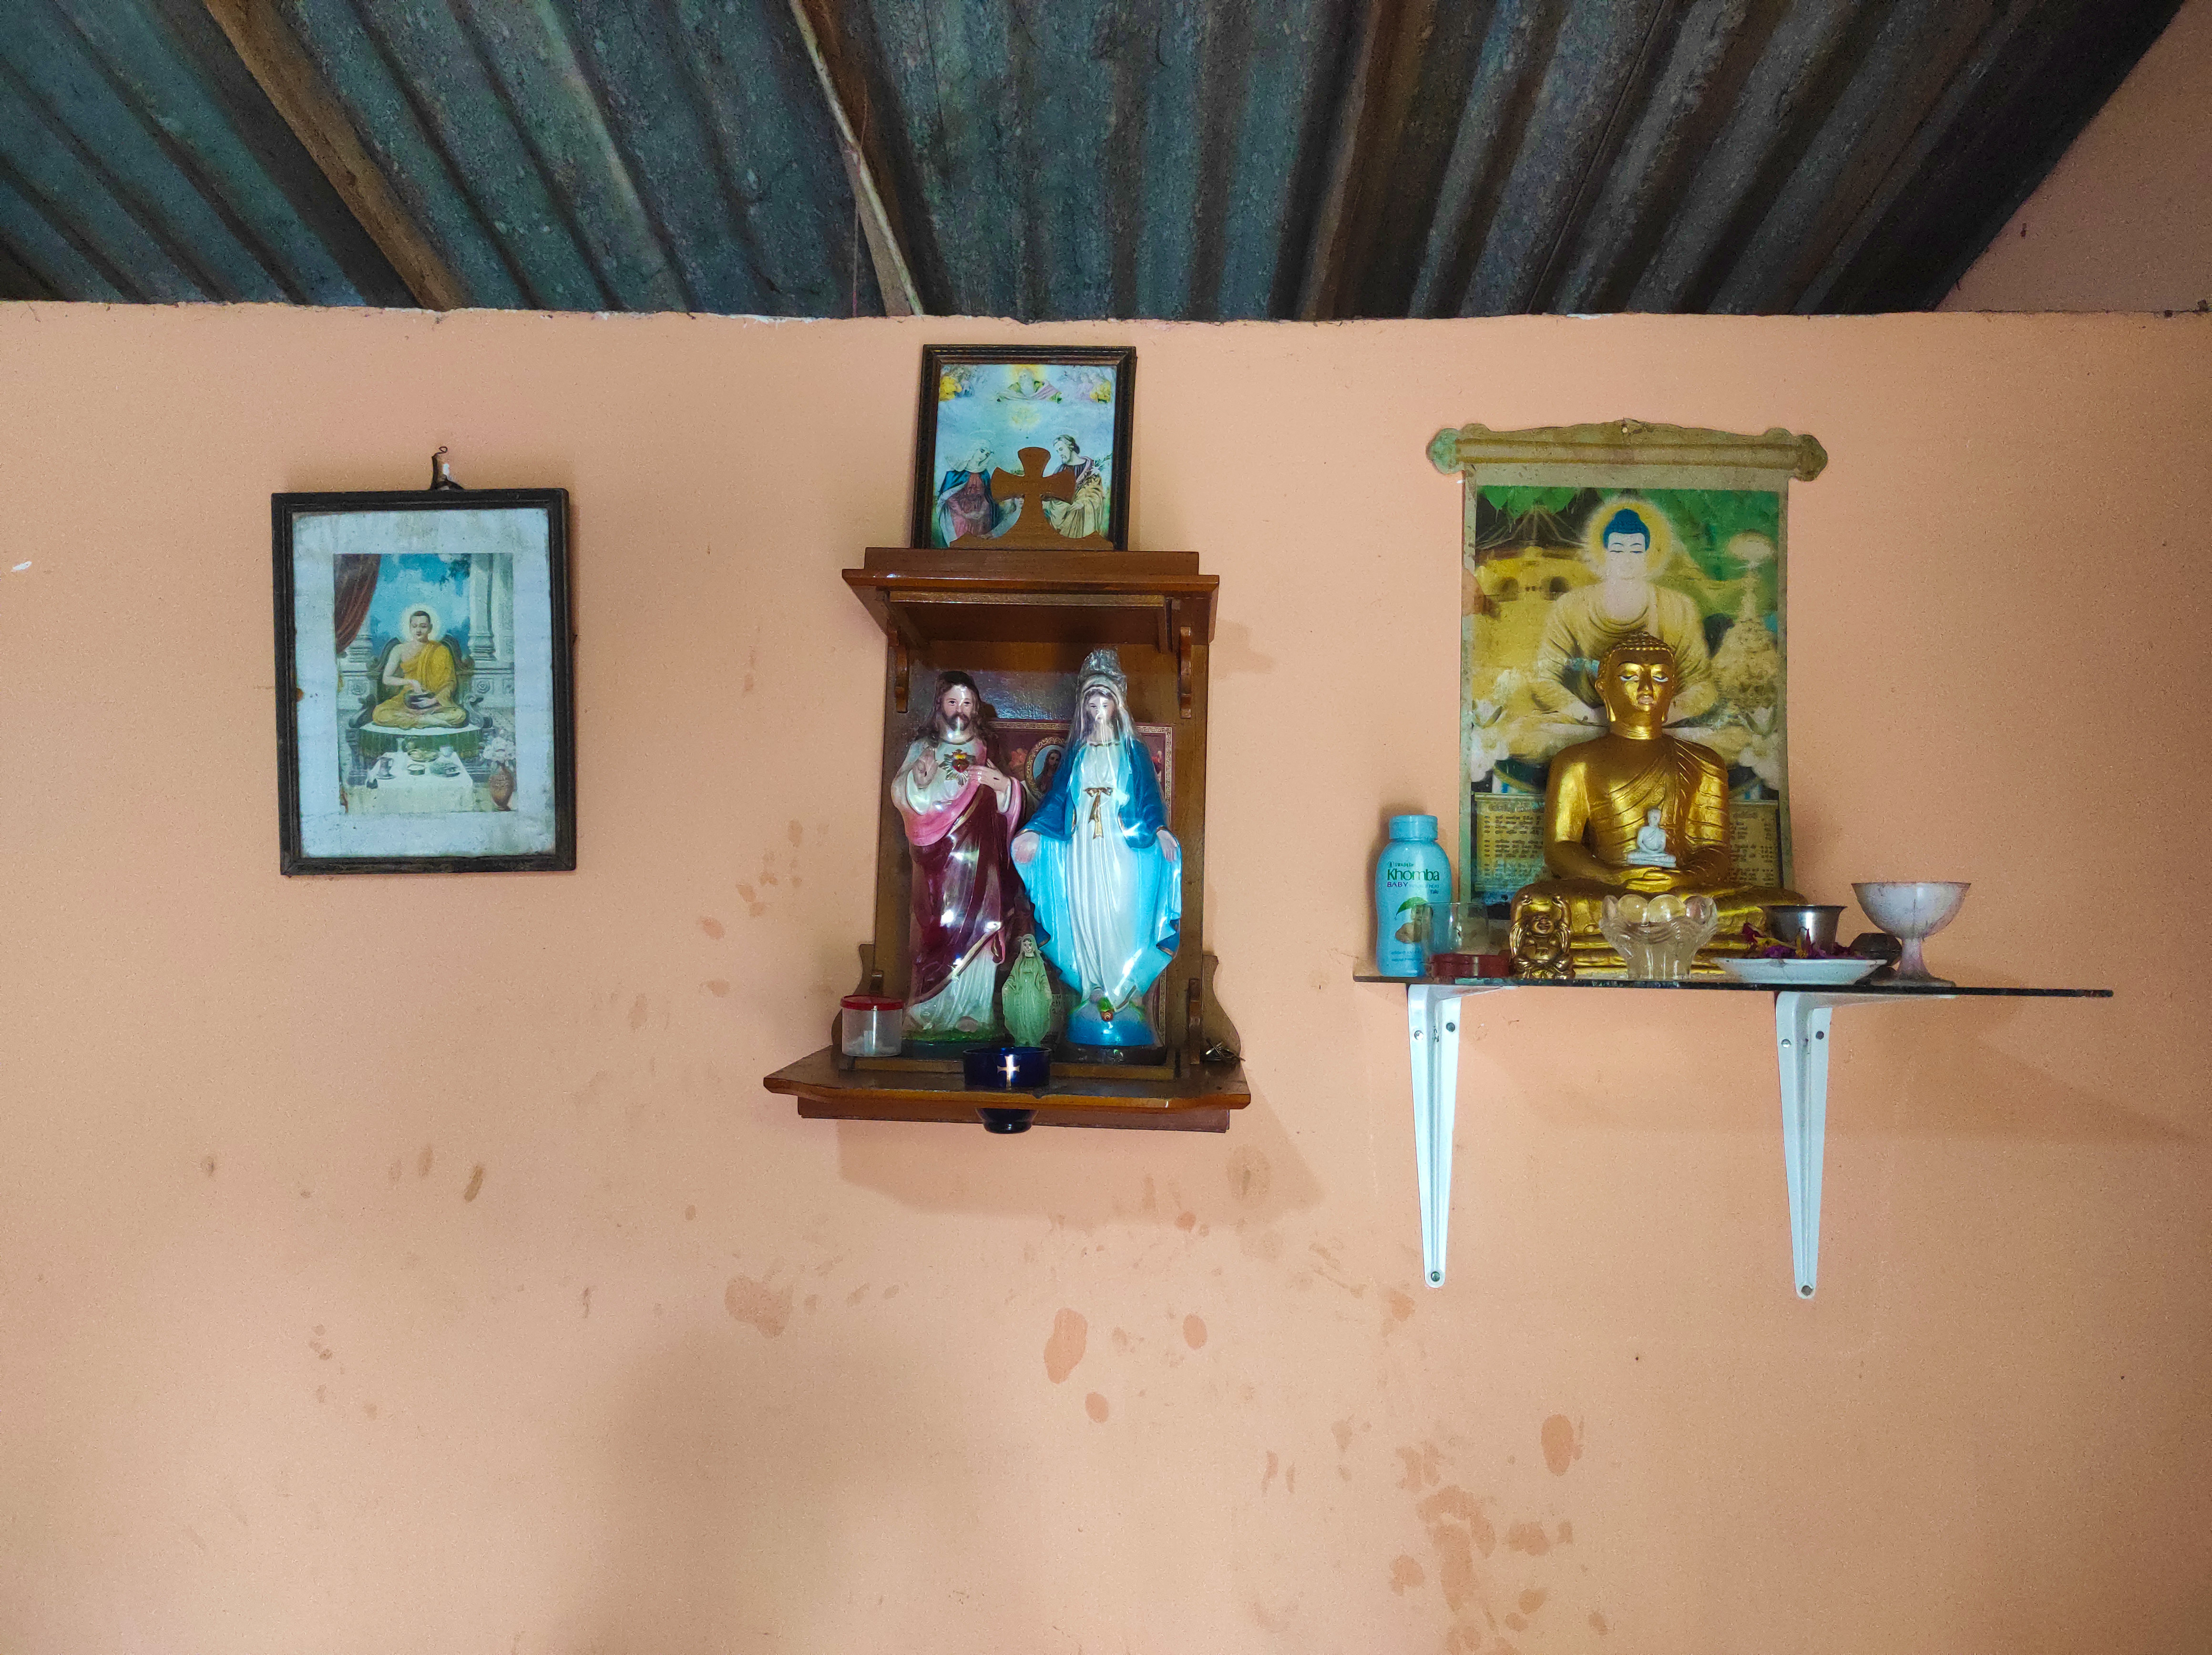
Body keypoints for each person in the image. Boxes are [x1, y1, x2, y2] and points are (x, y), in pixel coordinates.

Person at [1512, 633, 1798, 968]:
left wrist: (1682, 879)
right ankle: (1668, 929)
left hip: (1683, 893)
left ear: (1673, 687)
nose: (1646, 689)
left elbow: (1715, 850)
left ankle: (1655, 923)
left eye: (1660, 677)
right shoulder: (1577, 762)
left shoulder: (1705, 762)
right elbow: (1561, 847)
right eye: (1630, 677)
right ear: (1603, 687)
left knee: (1782, 907)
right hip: (1610, 893)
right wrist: (1615, 878)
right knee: (1538, 903)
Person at [1012, 650, 1181, 1046]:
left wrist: (1159, 831)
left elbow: (1148, 798)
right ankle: (1094, 987)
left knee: (1121, 914)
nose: (1099, 709)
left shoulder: (1133, 751)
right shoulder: (1078, 753)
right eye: (1092, 703)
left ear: (1116, 706)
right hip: (1083, 851)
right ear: (1084, 708)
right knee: (1086, 910)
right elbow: (1057, 800)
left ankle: (1126, 990)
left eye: (1106, 702)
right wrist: (1035, 832)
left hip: (1123, 850)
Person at [891, 672, 1025, 1035]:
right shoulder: (924, 748)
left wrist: (1002, 787)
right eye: (953, 702)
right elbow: (902, 795)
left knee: (981, 924)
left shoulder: (986, 748)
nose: (960, 710)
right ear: (940, 706)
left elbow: (1009, 799)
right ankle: (926, 1008)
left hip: (981, 856)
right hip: (938, 858)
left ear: (976, 708)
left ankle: (976, 1010)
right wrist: (918, 781)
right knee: (937, 926)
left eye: (967, 704)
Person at [1528, 503, 1715, 730]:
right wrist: (1593, 717)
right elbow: (1543, 677)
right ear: (1604, 554)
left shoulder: (1678, 608)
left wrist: (1653, 718)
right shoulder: (1571, 607)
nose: (1627, 559)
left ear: (1649, 555)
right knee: (1531, 737)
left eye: (1636, 550)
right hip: (1591, 724)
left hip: (1660, 726)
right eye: (1617, 550)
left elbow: (1703, 688)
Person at [369, 606, 467, 729]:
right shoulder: (399, 650)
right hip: (407, 701)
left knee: (459, 715)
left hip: (434, 703)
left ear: (430, 628)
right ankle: (428, 721)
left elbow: (450, 684)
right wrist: (411, 682)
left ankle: (421, 720)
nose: (419, 630)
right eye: (415, 626)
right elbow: (387, 679)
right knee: (380, 714)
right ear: (410, 628)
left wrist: (432, 701)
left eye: (423, 626)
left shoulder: (441, 650)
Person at [1041, 434, 1109, 541]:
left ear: (1071, 447)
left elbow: (1096, 495)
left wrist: (1082, 503)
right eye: (1058, 451)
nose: (1060, 454)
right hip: (1062, 517)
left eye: (1061, 449)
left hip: (1083, 518)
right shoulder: (1060, 471)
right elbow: (1053, 495)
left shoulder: (1091, 469)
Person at [933, 446, 1003, 544]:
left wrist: (982, 511)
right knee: (961, 521)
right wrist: (965, 514)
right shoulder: (956, 472)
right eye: (982, 451)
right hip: (959, 510)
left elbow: (987, 497)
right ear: (973, 450)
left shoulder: (984, 474)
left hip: (980, 511)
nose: (983, 456)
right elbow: (949, 497)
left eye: (987, 455)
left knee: (984, 521)